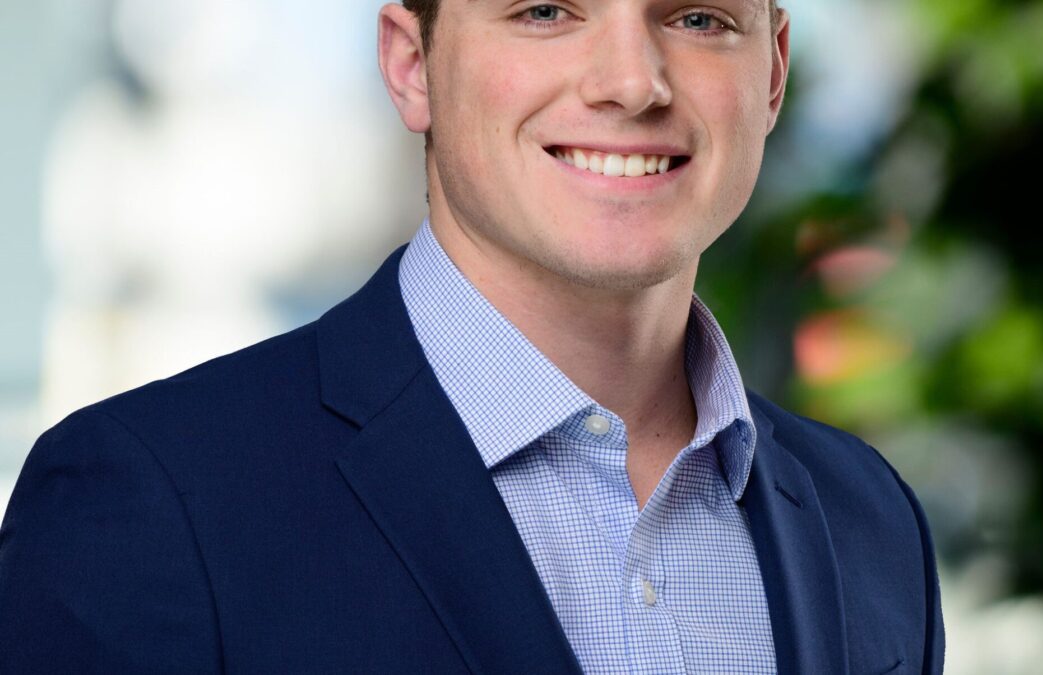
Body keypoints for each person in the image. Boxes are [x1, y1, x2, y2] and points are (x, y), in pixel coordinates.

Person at [0, 0, 945, 672]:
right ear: (412, 65)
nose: (632, 83)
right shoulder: (148, 504)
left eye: (698, 18)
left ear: (772, 72)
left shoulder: (871, 520)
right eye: (545, 11)